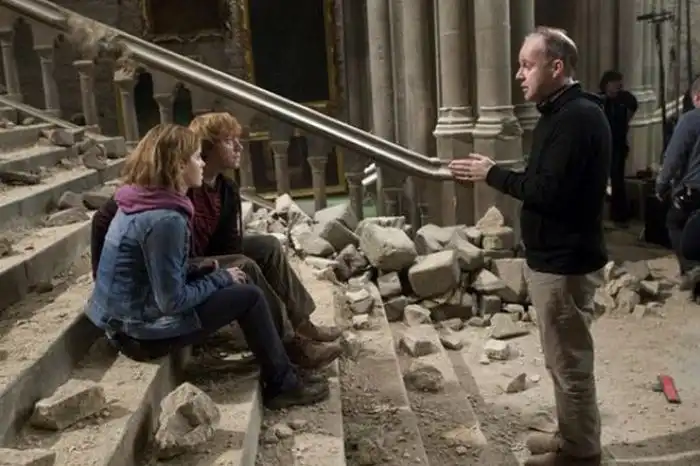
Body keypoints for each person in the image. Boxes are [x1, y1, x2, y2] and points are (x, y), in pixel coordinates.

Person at [449, 27, 608, 466]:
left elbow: (547, 191)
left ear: (556, 67)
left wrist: (493, 174)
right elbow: (547, 180)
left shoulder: (576, 118)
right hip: (554, 259)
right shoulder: (560, 113)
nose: (519, 74)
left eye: (527, 65)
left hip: (565, 263)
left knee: (570, 363)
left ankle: (580, 453)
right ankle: (570, 437)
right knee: (560, 360)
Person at [86, 123, 329, 410]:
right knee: (249, 296)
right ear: (179, 165)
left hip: (123, 322)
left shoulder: (139, 199)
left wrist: (202, 271)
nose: (202, 163)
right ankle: (282, 385)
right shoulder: (166, 220)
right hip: (138, 335)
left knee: (239, 277)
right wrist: (220, 279)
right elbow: (171, 301)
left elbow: (154, 270)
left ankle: (284, 361)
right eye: (196, 157)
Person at [656, 76, 700, 295]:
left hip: (694, 190)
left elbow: (674, 157)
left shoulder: (690, 120)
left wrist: (661, 184)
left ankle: (691, 271)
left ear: (696, 97)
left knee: (675, 223)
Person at [599, 70, 638, 228]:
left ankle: (619, 215)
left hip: (618, 145)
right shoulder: (600, 101)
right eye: (615, 83)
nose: (618, 86)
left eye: (619, 84)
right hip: (602, 145)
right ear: (607, 84)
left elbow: (632, 107)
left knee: (617, 179)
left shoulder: (625, 99)